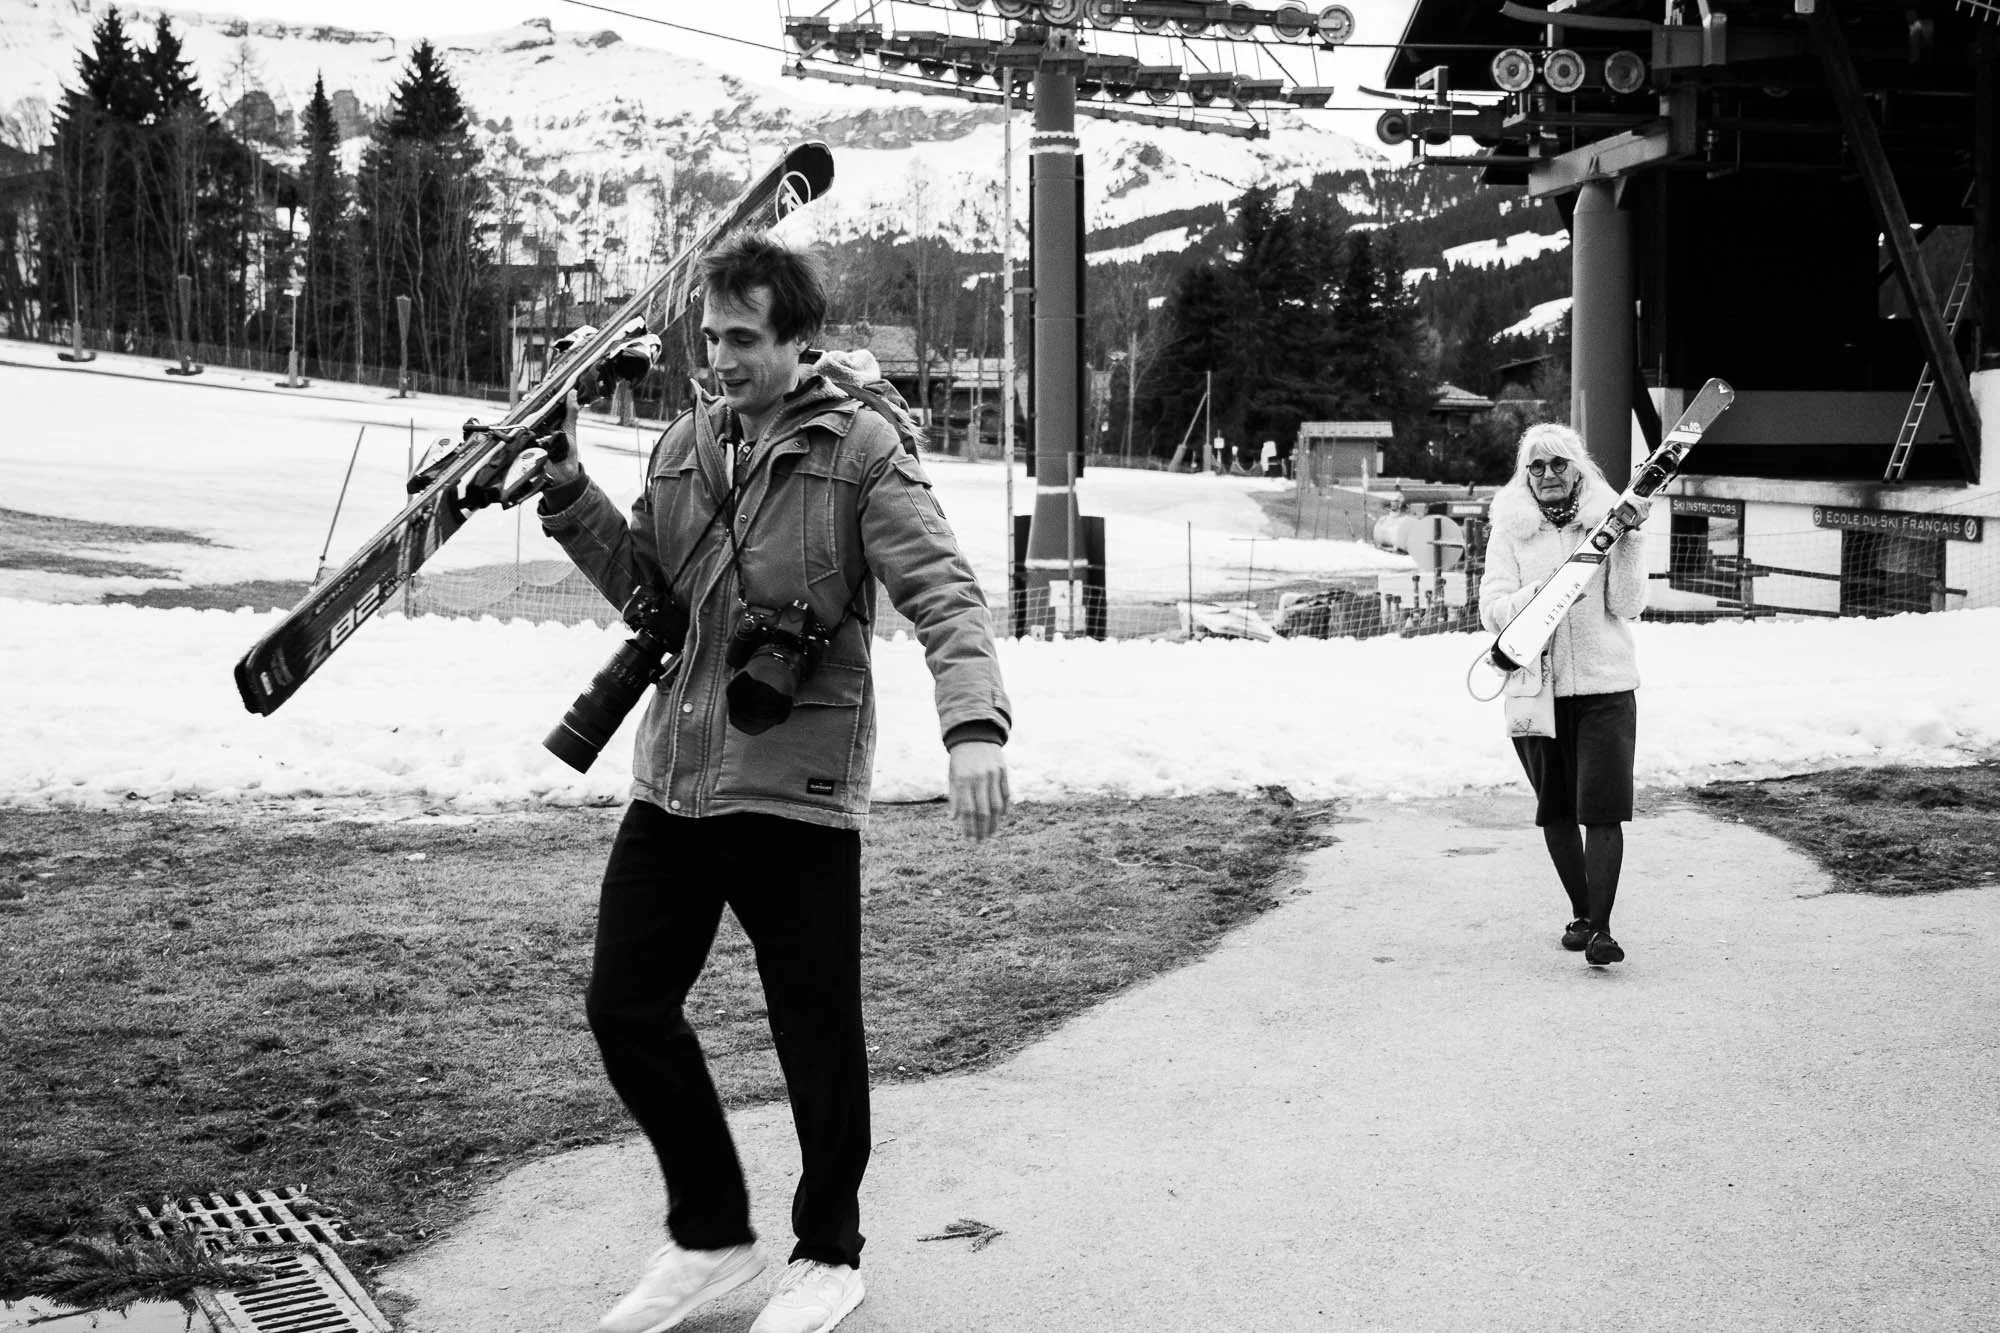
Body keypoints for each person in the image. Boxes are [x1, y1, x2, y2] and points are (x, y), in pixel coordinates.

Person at [535, 233, 1012, 1333]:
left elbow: (943, 591)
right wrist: (571, 499)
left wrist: (973, 726)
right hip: (677, 776)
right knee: (625, 1006)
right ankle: (710, 1231)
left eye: (743, 339)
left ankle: (828, 1253)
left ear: (800, 344)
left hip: (794, 785)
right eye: (709, 337)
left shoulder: (862, 452)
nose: (720, 359)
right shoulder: (682, 446)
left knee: (813, 1027)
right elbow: (652, 596)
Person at [1477, 422, 1647, 968]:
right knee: (1556, 810)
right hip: (1534, 691)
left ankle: (1601, 930)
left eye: (1558, 464)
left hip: (1604, 687)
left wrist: (1631, 540)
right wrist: (1545, 593)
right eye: (1536, 466)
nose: (1548, 475)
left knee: (1601, 810)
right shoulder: (1509, 532)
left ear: (1579, 468)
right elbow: (1492, 611)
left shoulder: (1607, 523)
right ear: (1525, 475)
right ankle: (1580, 912)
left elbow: (1627, 605)